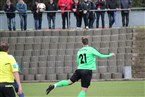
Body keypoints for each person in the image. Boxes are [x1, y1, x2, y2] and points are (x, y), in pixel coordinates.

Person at [46, 37, 115, 97]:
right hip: (87, 71)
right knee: (84, 89)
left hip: (79, 70)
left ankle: (54, 85)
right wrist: (110, 54)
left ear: (82, 43)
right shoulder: (91, 49)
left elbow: (78, 61)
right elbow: (101, 55)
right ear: (88, 42)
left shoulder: (79, 51)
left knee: (69, 82)